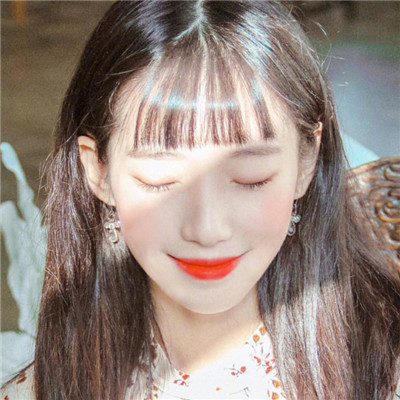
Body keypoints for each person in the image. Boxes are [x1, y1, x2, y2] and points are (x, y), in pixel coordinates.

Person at [2, 1, 400, 399]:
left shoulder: (384, 374)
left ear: (306, 161)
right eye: (160, 181)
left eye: (251, 179)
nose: (207, 229)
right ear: (98, 171)